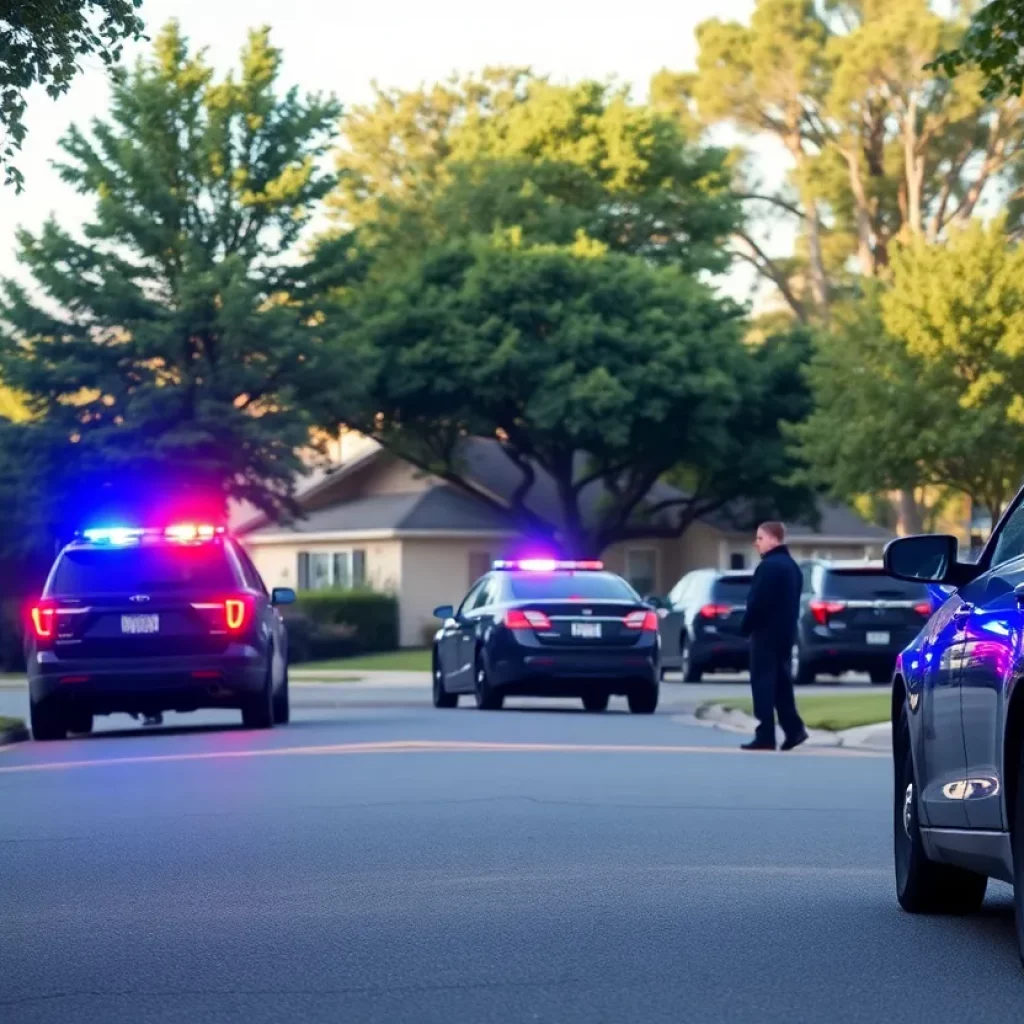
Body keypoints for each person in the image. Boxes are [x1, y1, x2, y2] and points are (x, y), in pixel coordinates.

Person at [738, 521, 807, 752]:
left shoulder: (768, 567)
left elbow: (757, 602)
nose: (756, 543)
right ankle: (794, 730)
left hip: (765, 634)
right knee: (781, 684)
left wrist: (745, 627)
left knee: (763, 684)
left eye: (760, 538)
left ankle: (765, 735)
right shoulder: (792, 567)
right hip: (786, 634)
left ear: (773, 539)